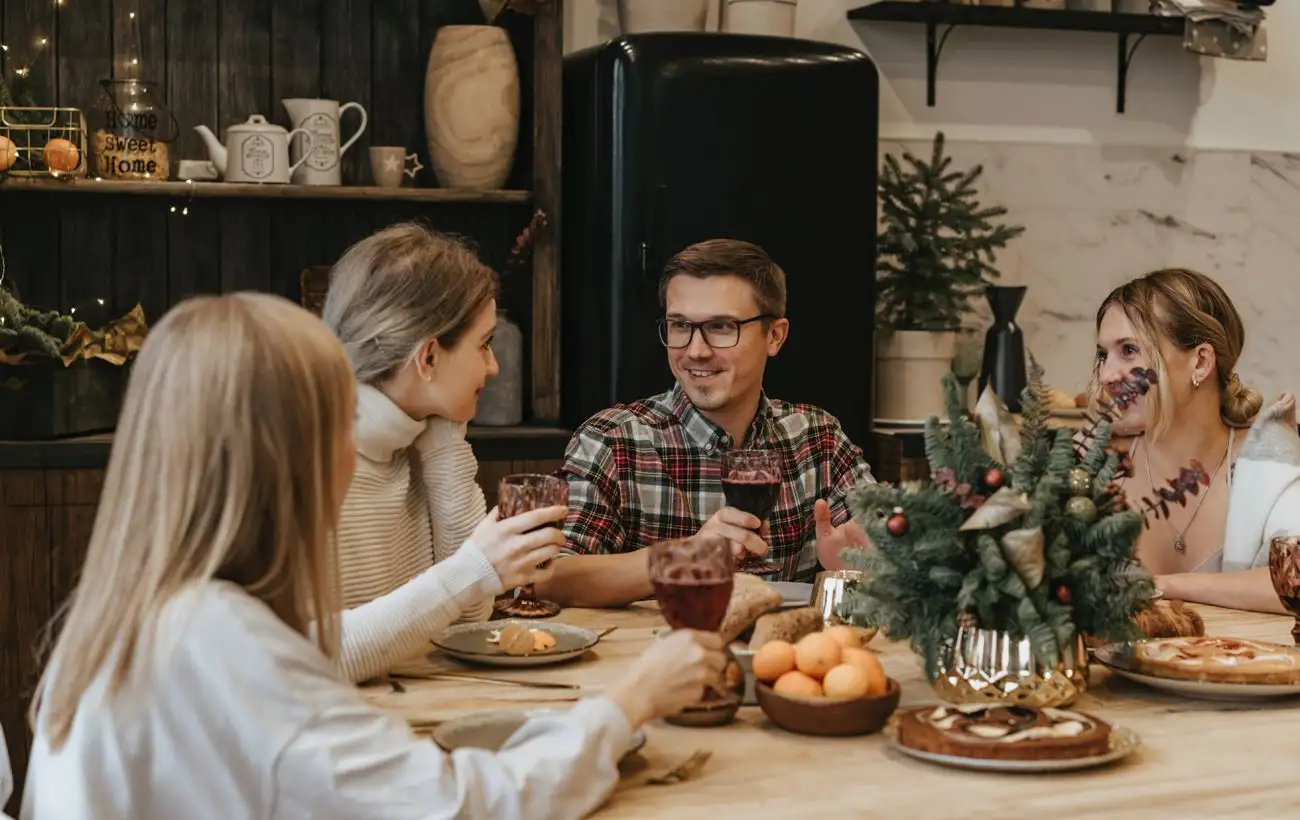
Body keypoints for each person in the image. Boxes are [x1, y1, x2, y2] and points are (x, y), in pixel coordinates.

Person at [22, 293, 727, 820]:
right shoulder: (219, 641)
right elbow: (459, 808)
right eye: (340, 422)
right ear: (289, 456)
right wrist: (630, 700)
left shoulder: (152, 610)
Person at [537, 239, 875, 608]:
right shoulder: (613, 440)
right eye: (680, 325)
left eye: (720, 326)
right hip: (657, 661)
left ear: (775, 336)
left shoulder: (819, 438)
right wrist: (683, 558)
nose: (695, 350)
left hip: (791, 661)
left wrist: (864, 566)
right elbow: (549, 578)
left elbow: (892, 553)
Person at [321, 223, 560, 683]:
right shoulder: (304, 461)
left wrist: (447, 445)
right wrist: (475, 568)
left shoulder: (422, 436)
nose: (493, 367)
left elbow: (470, 615)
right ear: (428, 358)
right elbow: (310, 659)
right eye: (485, 344)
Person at [1094, 268, 1296, 613]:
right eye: (1103, 355)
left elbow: (1294, 579)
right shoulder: (1097, 465)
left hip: (1248, 665)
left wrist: (1162, 586)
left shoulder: (1265, 459)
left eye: (1129, 350)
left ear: (1200, 362)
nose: (1106, 375)